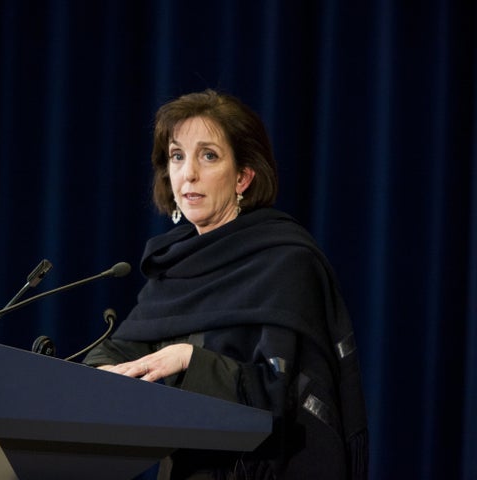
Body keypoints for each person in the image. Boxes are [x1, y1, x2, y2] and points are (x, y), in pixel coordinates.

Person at [82, 89, 369, 480]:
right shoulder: (174, 269)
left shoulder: (285, 261)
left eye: (209, 156)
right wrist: (103, 373)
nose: (189, 173)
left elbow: (278, 391)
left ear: (243, 177)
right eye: (177, 156)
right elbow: (119, 350)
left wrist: (189, 359)